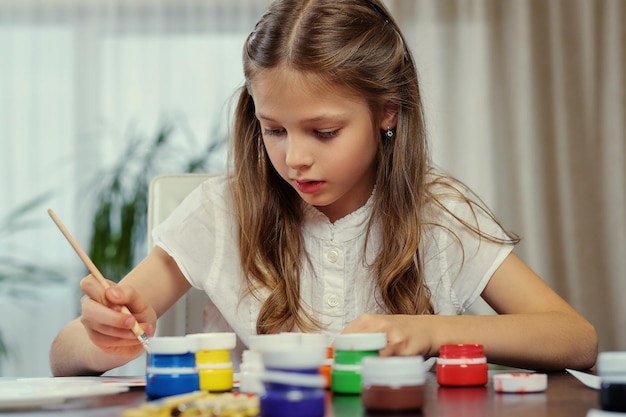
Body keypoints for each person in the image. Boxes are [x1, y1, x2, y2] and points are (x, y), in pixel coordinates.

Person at [49, 0, 597, 377]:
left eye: (325, 131)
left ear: (387, 112)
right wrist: (103, 337)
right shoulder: (222, 212)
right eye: (274, 129)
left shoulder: (438, 213)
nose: (295, 157)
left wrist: (429, 331)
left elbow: (576, 338)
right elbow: (63, 354)